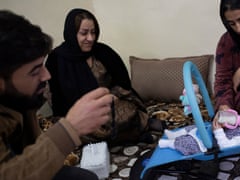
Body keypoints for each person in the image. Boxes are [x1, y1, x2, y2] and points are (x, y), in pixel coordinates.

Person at [0, 10, 113, 179]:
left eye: (93, 32)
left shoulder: (21, 101)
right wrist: (70, 128)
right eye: (35, 71)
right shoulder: (59, 59)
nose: (47, 76)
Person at [46, 8, 156, 145]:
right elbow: (55, 96)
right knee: (82, 128)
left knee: (125, 114)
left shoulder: (104, 52)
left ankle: (118, 135)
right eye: (84, 33)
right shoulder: (56, 59)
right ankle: (130, 134)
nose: (90, 38)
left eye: (93, 32)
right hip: (80, 113)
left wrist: (112, 96)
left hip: (111, 104)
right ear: (71, 33)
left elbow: (123, 82)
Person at [158, 106, 240, 155]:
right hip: (210, 133)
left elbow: (226, 146)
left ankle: (169, 143)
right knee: (195, 127)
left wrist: (218, 131)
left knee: (189, 143)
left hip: (208, 144)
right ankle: (175, 134)